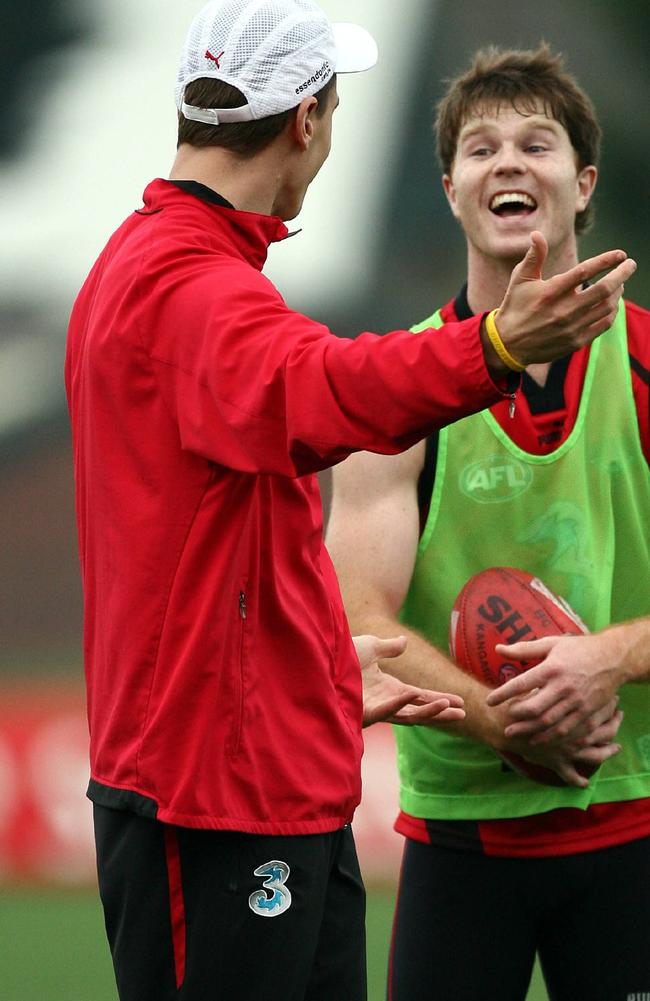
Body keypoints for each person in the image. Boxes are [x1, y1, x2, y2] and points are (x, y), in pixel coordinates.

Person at [64, 3, 635, 995]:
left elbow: (217, 532)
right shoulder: (195, 289)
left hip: (265, 764)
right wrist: (493, 348)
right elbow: (322, 393)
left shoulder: (155, 265)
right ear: (306, 122)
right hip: (217, 792)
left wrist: (309, 665)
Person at [327, 44, 650, 1001]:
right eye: (481, 148)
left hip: (637, 819)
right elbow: (361, 616)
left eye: (536, 143)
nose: (507, 161)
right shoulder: (391, 389)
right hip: (462, 836)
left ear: (582, 185)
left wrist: (610, 658)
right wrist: (498, 720)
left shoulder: (641, 362)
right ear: (451, 189)